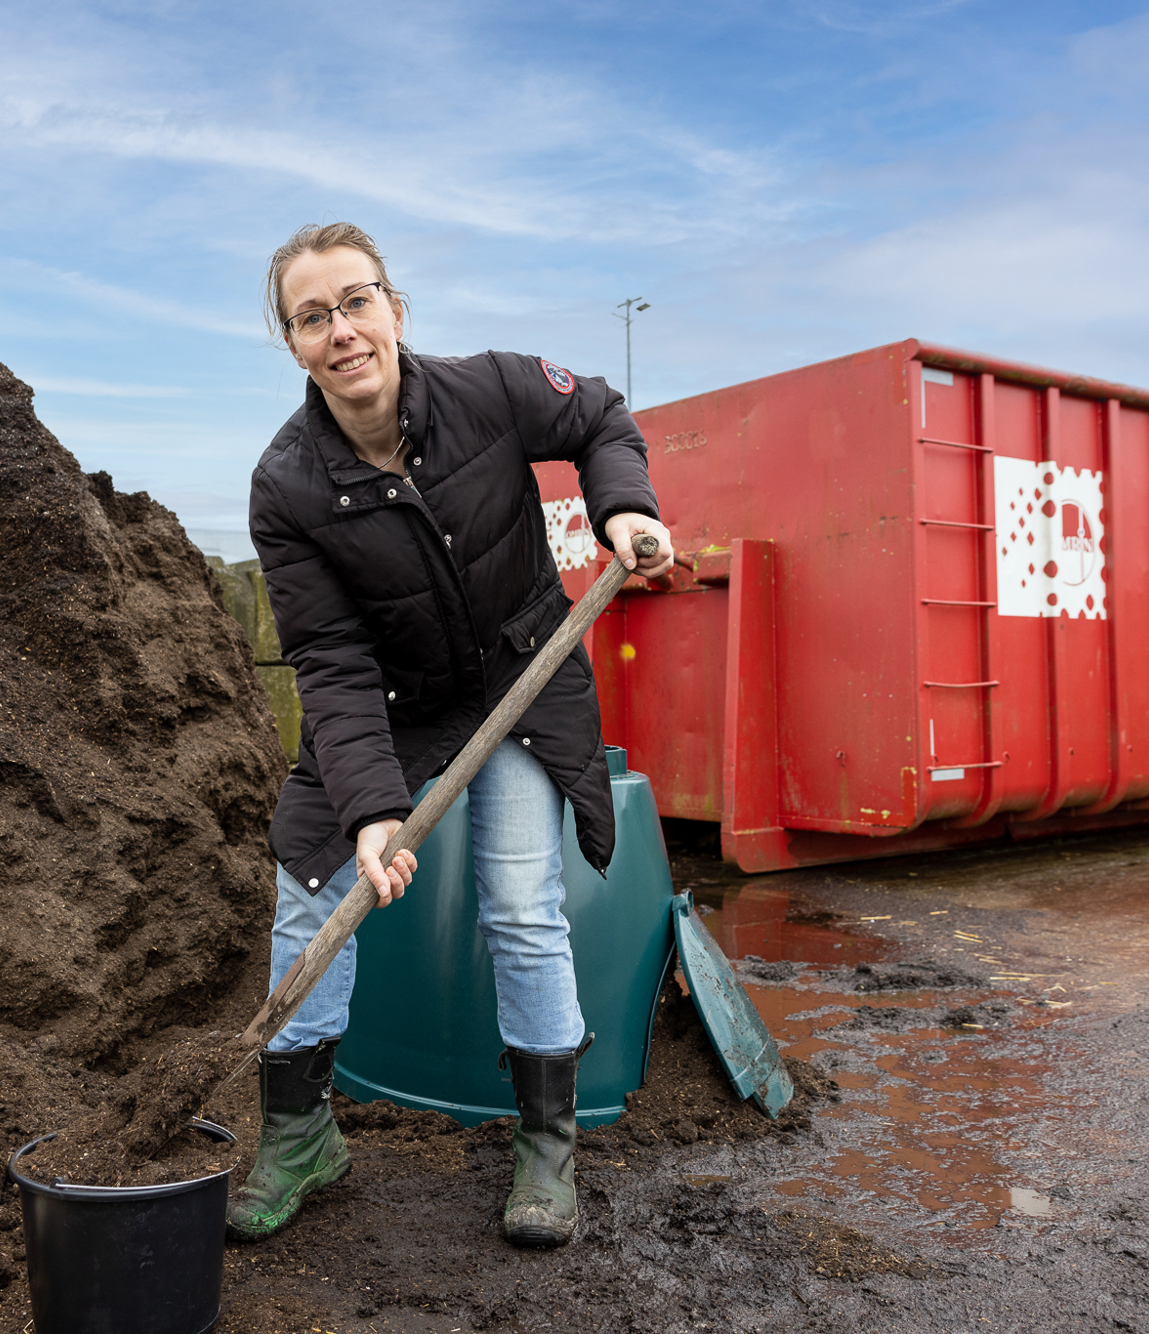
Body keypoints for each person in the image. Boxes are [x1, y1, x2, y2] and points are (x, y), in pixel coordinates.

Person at [229, 222, 673, 1249]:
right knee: (306, 883)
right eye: (311, 315)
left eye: (355, 301)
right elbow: (331, 661)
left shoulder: (488, 388)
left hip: (521, 675)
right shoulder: (286, 484)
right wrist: (372, 811)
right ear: (290, 343)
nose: (341, 330)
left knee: (518, 896)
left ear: (394, 309)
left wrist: (622, 509)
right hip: (390, 702)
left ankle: (546, 1145)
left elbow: (600, 415)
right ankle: (299, 1136)